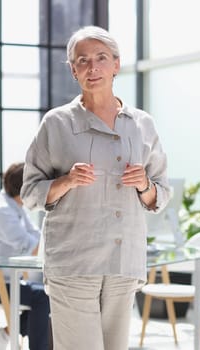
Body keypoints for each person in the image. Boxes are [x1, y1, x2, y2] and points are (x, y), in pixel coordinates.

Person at [20, 25, 170, 350]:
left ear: (116, 64)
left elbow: (161, 194)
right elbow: (30, 192)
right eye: (82, 60)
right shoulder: (56, 124)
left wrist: (144, 185)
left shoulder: (143, 124)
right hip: (75, 263)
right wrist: (66, 181)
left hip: (123, 262)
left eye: (101, 58)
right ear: (73, 70)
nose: (93, 67)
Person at [0, 162, 52, 350]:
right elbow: (33, 245)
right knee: (43, 296)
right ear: (25, 188)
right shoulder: (2, 211)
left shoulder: (15, 207)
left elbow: (36, 238)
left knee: (52, 292)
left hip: (8, 282)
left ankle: (6, 334)